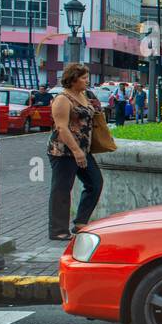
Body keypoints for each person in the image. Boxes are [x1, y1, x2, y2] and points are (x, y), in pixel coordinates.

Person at [48, 63, 105, 241]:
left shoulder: (83, 95)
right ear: (73, 79)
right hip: (64, 151)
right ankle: (58, 230)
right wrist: (76, 151)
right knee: (62, 190)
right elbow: (61, 128)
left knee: (95, 183)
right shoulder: (63, 99)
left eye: (87, 77)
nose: (87, 81)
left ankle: (80, 221)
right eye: (83, 78)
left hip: (83, 149)